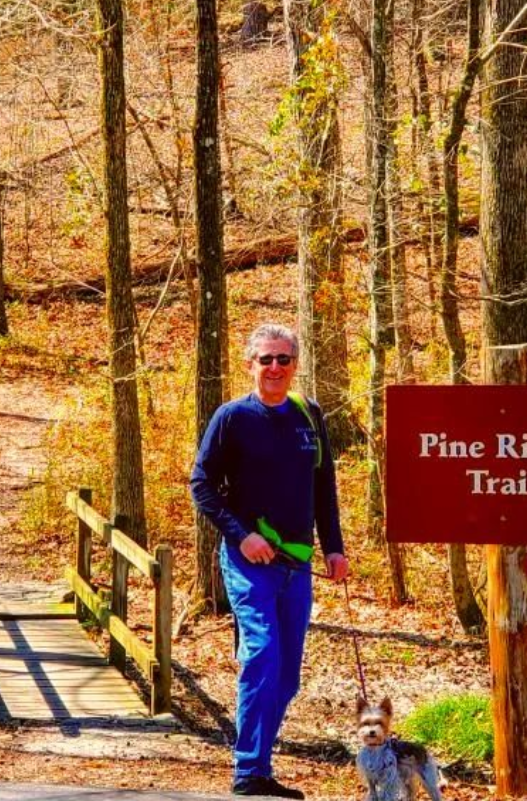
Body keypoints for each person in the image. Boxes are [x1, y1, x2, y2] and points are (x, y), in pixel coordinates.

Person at [191, 323, 350, 799]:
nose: (275, 367)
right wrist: (242, 537)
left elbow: (324, 487)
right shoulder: (232, 418)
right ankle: (248, 771)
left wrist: (334, 546)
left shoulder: (309, 415)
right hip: (249, 562)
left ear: (295, 364)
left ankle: (259, 763)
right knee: (261, 654)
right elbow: (201, 486)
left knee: (286, 675)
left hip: (297, 564)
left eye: (283, 359)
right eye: (266, 359)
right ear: (250, 365)